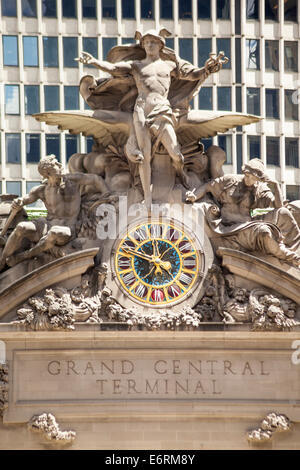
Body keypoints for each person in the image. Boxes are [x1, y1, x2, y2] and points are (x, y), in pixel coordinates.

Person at [76, 29, 227, 208]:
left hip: (162, 110)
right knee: (144, 156)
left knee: (176, 154)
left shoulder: (170, 65)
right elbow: (115, 69)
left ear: (160, 45)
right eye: (146, 42)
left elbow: (193, 75)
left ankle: (181, 173)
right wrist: (94, 62)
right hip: (141, 110)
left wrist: (207, 69)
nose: (149, 45)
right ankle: (147, 197)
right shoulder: (136, 65)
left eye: (153, 42)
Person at [0, 154, 109, 271]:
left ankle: (24, 256)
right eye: (55, 165)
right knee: (21, 227)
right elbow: (25, 200)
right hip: (46, 225)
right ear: (47, 173)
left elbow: (95, 179)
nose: (60, 165)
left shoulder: (73, 180)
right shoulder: (41, 190)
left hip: (68, 229)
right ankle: (2, 261)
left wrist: (107, 194)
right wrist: (18, 202)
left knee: (53, 233)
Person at [186, 158, 300, 267]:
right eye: (246, 175)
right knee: (265, 232)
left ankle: (295, 248)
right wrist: (194, 196)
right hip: (229, 225)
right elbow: (208, 186)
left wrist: (275, 185)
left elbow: (278, 206)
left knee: (283, 212)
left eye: (251, 177)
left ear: (258, 179)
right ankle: (284, 253)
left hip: (249, 222)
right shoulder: (231, 180)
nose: (247, 179)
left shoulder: (260, 189)